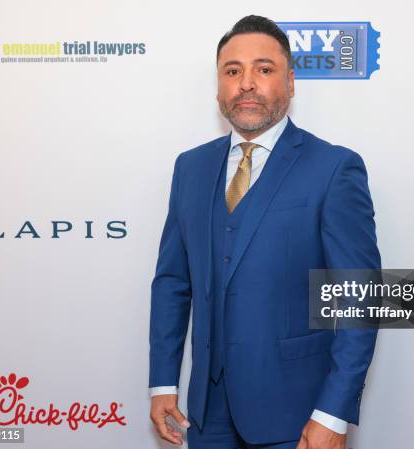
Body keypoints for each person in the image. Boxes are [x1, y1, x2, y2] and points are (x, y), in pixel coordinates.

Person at [149, 15, 380, 449]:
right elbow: (173, 283)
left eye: (264, 69)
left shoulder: (333, 168)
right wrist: (163, 383)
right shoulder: (190, 168)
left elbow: (358, 298)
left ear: (290, 82)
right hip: (205, 415)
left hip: (298, 416)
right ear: (218, 86)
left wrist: (333, 414)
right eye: (232, 71)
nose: (247, 83)